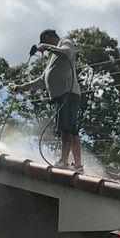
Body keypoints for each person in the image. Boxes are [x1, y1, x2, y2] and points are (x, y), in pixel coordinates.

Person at [13, 29, 83, 173]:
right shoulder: (53, 57)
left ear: (48, 37)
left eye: (44, 43)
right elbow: (42, 81)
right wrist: (21, 88)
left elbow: (68, 53)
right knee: (72, 129)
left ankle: (64, 161)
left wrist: (46, 47)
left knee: (66, 129)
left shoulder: (65, 42)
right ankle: (77, 165)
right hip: (62, 95)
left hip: (67, 93)